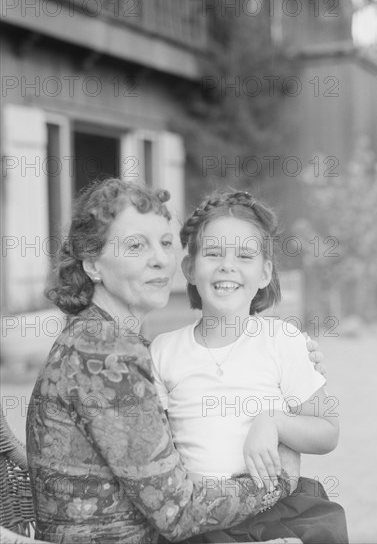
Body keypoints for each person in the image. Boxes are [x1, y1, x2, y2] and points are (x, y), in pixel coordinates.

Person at [26, 179, 285, 544]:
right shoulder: (104, 357)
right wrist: (278, 482)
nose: (161, 259)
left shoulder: (108, 339)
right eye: (136, 245)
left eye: (166, 243)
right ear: (93, 264)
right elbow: (179, 512)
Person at [150, 189, 348, 543]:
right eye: (213, 254)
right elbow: (156, 445)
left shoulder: (282, 340)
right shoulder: (165, 351)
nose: (228, 265)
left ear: (264, 273)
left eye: (244, 255)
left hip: (273, 511)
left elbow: (328, 432)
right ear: (190, 269)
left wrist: (273, 420)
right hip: (199, 516)